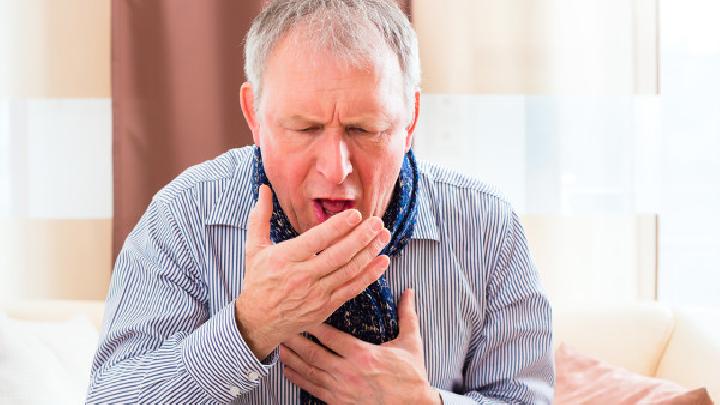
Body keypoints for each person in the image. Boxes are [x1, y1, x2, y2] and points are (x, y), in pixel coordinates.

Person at [87, 0, 553, 403]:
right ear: (254, 114)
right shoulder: (183, 218)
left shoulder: (487, 227)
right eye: (305, 128)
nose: (336, 168)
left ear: (410, 120)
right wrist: (248, 327)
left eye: (364, 129)